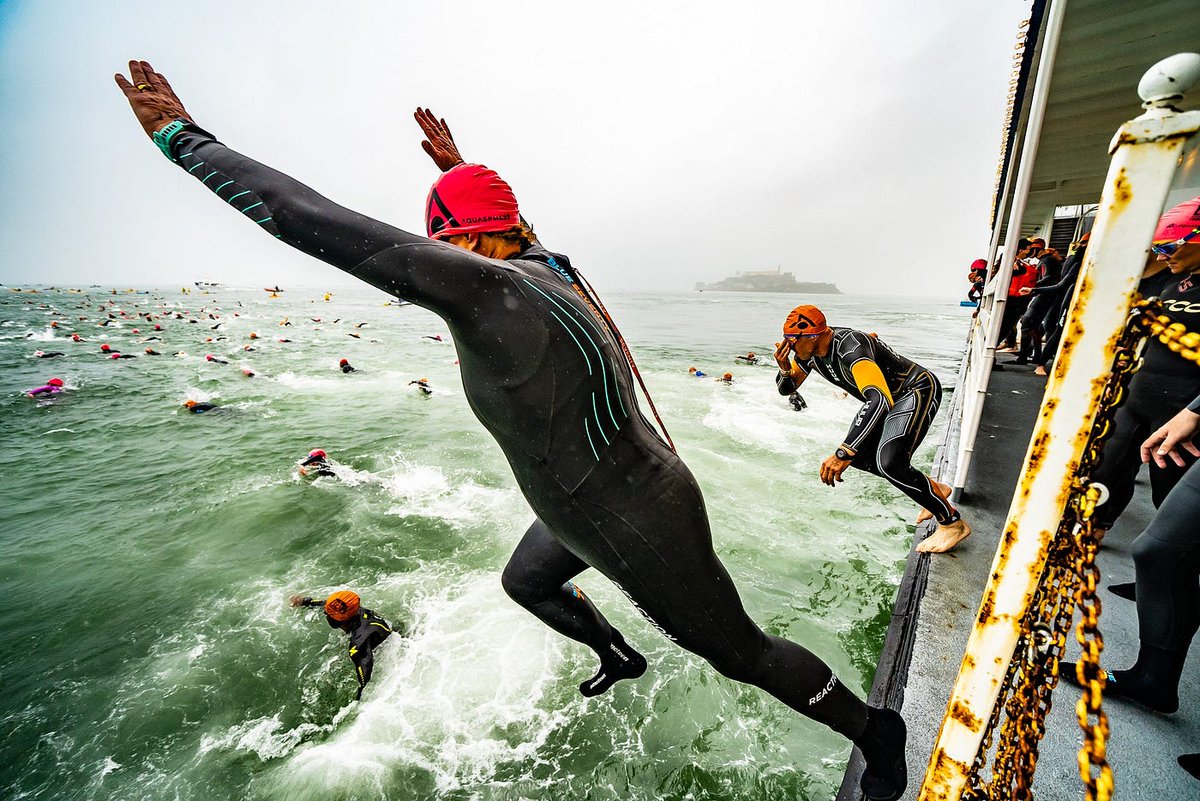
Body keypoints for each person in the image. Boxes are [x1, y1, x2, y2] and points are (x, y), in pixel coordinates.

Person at [116, 68, 907, 800]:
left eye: (448, 243)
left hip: (633, 513)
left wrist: (184, 139)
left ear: (473, 244)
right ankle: (616, 652)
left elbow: (306, 218)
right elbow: (509, 225)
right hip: (585, 501)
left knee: (741, 653)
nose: (438, 260)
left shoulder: (490, 288)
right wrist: (461, 169)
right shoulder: (545, 263)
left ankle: (877, 730)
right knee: (525, 581)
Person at [1063, 396, 1199, 782]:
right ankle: (1153, 679)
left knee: (1165, 551)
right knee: (1159, 551)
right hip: (1158, 398)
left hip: (1181, 394)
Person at [773, 305, 970, 554]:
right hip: (891, 399)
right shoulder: (807, 355)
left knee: (890, 463)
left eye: (792, 340)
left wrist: (843, 452)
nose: (787, 345)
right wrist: (783, 366)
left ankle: (952, 524)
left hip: (915, 390)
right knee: (862, 457)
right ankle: (934, 489)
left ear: (814, 335)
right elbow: (787, 389)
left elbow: (879, 399)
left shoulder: (851, 347)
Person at [1088, 196, 1200, 535]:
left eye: (1168, 247)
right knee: (1101, 478)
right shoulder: (1173, 281)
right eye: (1158, 249)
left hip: (1180, 415)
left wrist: (1196, 412)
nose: (1161, 256)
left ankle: (1165, 585)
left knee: (1170, 506)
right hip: (1134, 401)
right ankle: (1088, 543)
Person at [289, 591, 395, 700]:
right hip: (391, 631)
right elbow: (323, 604)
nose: (325, 612)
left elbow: (366, 678)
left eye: (328, 614)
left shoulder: (358, 643)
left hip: (392, 650)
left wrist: (360, 699)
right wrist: (303, 602)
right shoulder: (354, 611)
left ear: (335, 621)